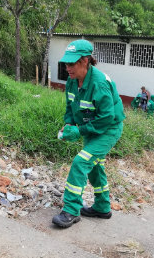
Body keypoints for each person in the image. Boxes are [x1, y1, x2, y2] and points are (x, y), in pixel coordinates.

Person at [52, 40, 125, 229]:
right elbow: (71, 105)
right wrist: (69, 125)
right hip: (91, 126)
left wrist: (80, 131)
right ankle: (102, 207)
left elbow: (107, 117)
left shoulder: (99, 84)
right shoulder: (72, 81)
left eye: (72, 64)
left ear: (85, 61)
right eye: (66, 64)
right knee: (94, 166)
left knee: (81, 161)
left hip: (108, 129)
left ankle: (71, 210)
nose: (67, 68)